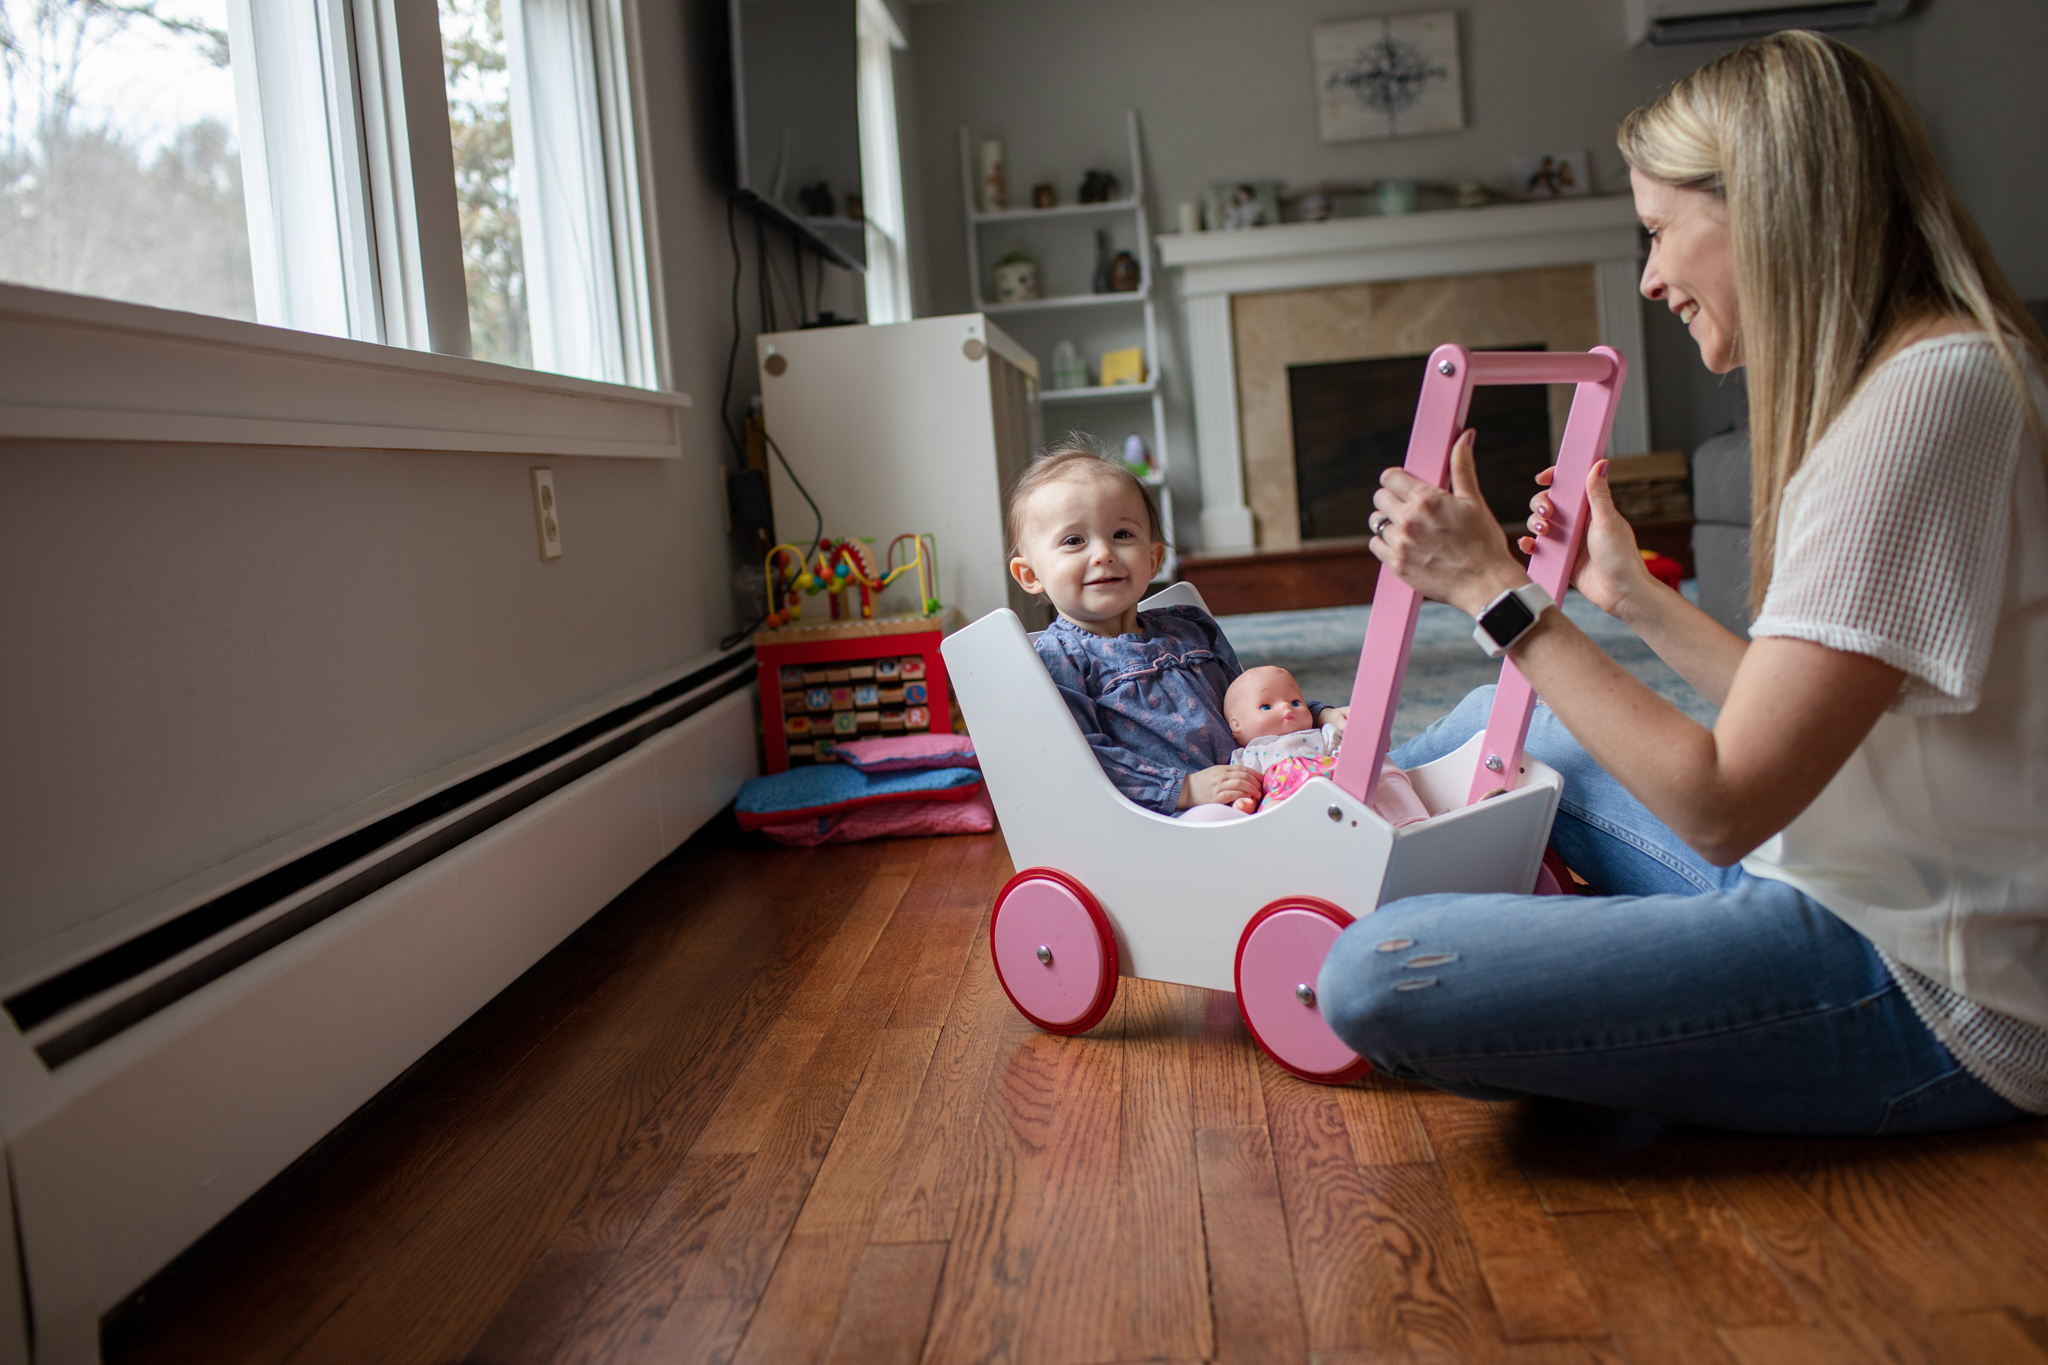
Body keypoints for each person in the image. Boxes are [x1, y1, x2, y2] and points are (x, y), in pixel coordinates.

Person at [1316, 30, 2048, 1136]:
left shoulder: (1922, 409)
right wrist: (1628, 597)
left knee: (1376, 974)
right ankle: (1311, 803)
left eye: (1657, 230)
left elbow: (1722, 803)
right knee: (1497, 727)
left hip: (1934, 983)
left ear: (1765, 207)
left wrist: (1492, 593)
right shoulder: (1923, 376)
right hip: (1846, 867)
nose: (1650, 276)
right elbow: (1812, 710)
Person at [1006, 441, 1347, 817]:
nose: (1103, 553)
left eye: (1122, 534)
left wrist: (1319, 716)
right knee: (1222, 817)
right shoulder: (1059, 659)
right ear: (1031, 575)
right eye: (1074, 541)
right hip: (1171, 817)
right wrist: (1183, 788)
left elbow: (1249, 704)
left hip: (1259, 781)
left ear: (1153, 559)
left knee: (1360, 769)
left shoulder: (1190, 627)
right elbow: (1080, 761)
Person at [1223, 666, 1429, 823]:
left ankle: (1396, 823)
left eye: (1296, 702)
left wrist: (1363, 745)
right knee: (1271, 815)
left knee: (1363, 794)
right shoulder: (1251, 755)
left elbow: (1343, 753)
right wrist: (1242, 803)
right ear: (1236, 725)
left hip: (1336, 787)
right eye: (1266, 706)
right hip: (1286, 798)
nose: (1287, 706)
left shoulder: (1321, 734)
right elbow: (1244, 785)